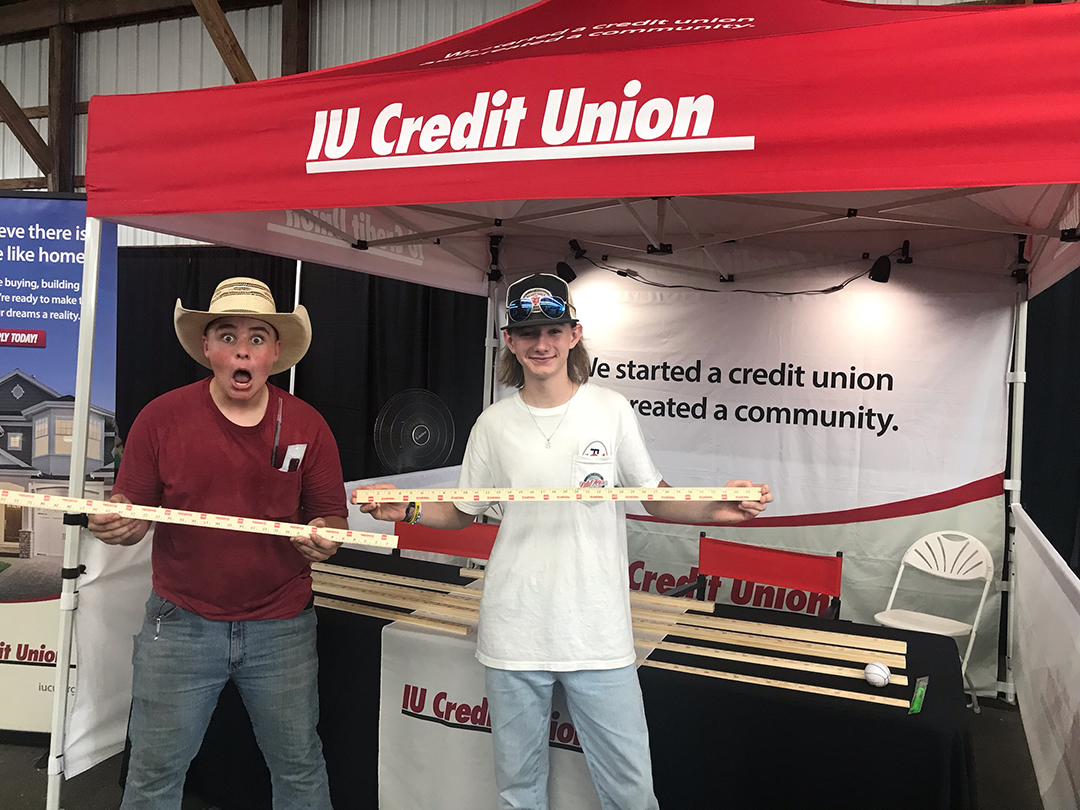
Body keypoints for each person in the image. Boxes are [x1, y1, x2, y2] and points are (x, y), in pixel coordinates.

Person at [358, 273, 772, 810]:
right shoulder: (493, 424)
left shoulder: (610, 410)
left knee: (631, 793)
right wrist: (407, 507)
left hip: (597, 634)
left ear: (574, 335)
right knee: (518, 792)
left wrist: (718, 505)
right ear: (509, 341)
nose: (542, 344)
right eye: (528, 333)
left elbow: (655, 496)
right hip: (513, 631)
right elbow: (462, 511)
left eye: (553, 329)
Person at [89, 277, 347, 810]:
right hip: (180, 624)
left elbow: (330, 517)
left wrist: (324, 539)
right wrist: (120, 526)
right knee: (154, 773)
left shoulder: (307, 424)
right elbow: (132, 512)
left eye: (257, 338)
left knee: (299, 767)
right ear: (207, 348)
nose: (242, 351)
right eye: (227, 337)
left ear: (276, 352)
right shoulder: (161, 418)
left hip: (282, 626)